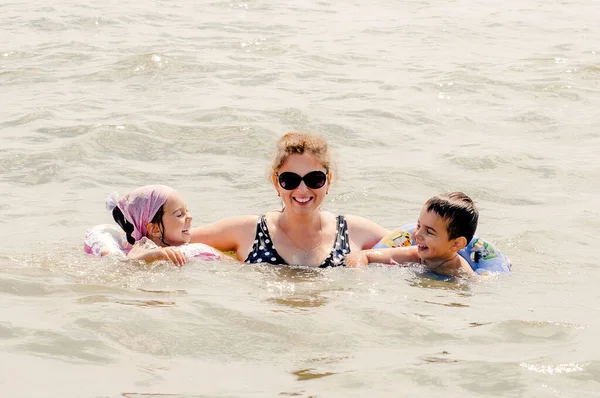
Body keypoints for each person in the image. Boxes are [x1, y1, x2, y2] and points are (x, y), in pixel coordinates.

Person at [189, 132, 390, 267]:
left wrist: (367, 256)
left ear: (328, 181)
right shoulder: (248, 230)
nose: (302, 189)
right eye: (290, 180)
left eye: (314, 179)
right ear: (276, 183)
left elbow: (417, 248)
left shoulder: (355, 231)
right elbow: (169, 240)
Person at [345, 192, 478, 278]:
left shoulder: (461, 273)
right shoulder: (413, 255)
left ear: (456, 243)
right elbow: (363, 255)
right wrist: (359, 275)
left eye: (429, 231)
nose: (417, 234)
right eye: (419, 225)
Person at [106, 185, 193, 266]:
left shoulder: (177, 240)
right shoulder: (144, 245)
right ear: (155, 229)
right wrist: (155, 254)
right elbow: (131, 259)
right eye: (179, 214)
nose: (190, 217)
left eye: (187, 210)